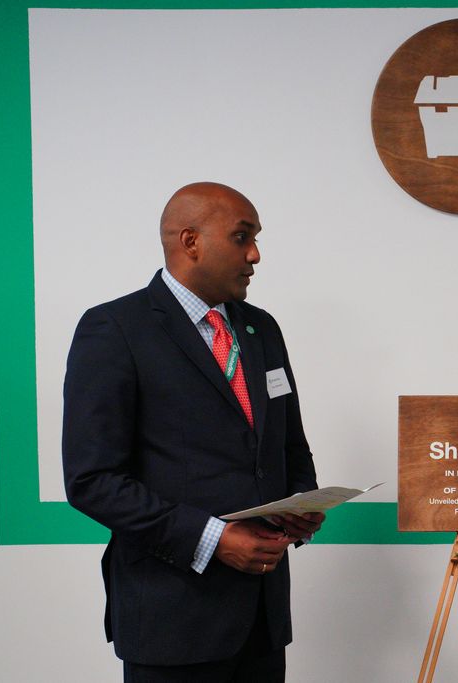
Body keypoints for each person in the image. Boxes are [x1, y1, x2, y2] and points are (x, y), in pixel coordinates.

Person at [62, 182, 324, 682]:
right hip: (171, 620)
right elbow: (91, 480)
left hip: (262, 621)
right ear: (191, 242)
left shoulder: (261, 329)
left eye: (256, 238)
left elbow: (289, 446)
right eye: (242, 237)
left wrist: (301, 502)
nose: (256, 254)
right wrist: (213, 538)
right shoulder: (114, 329)